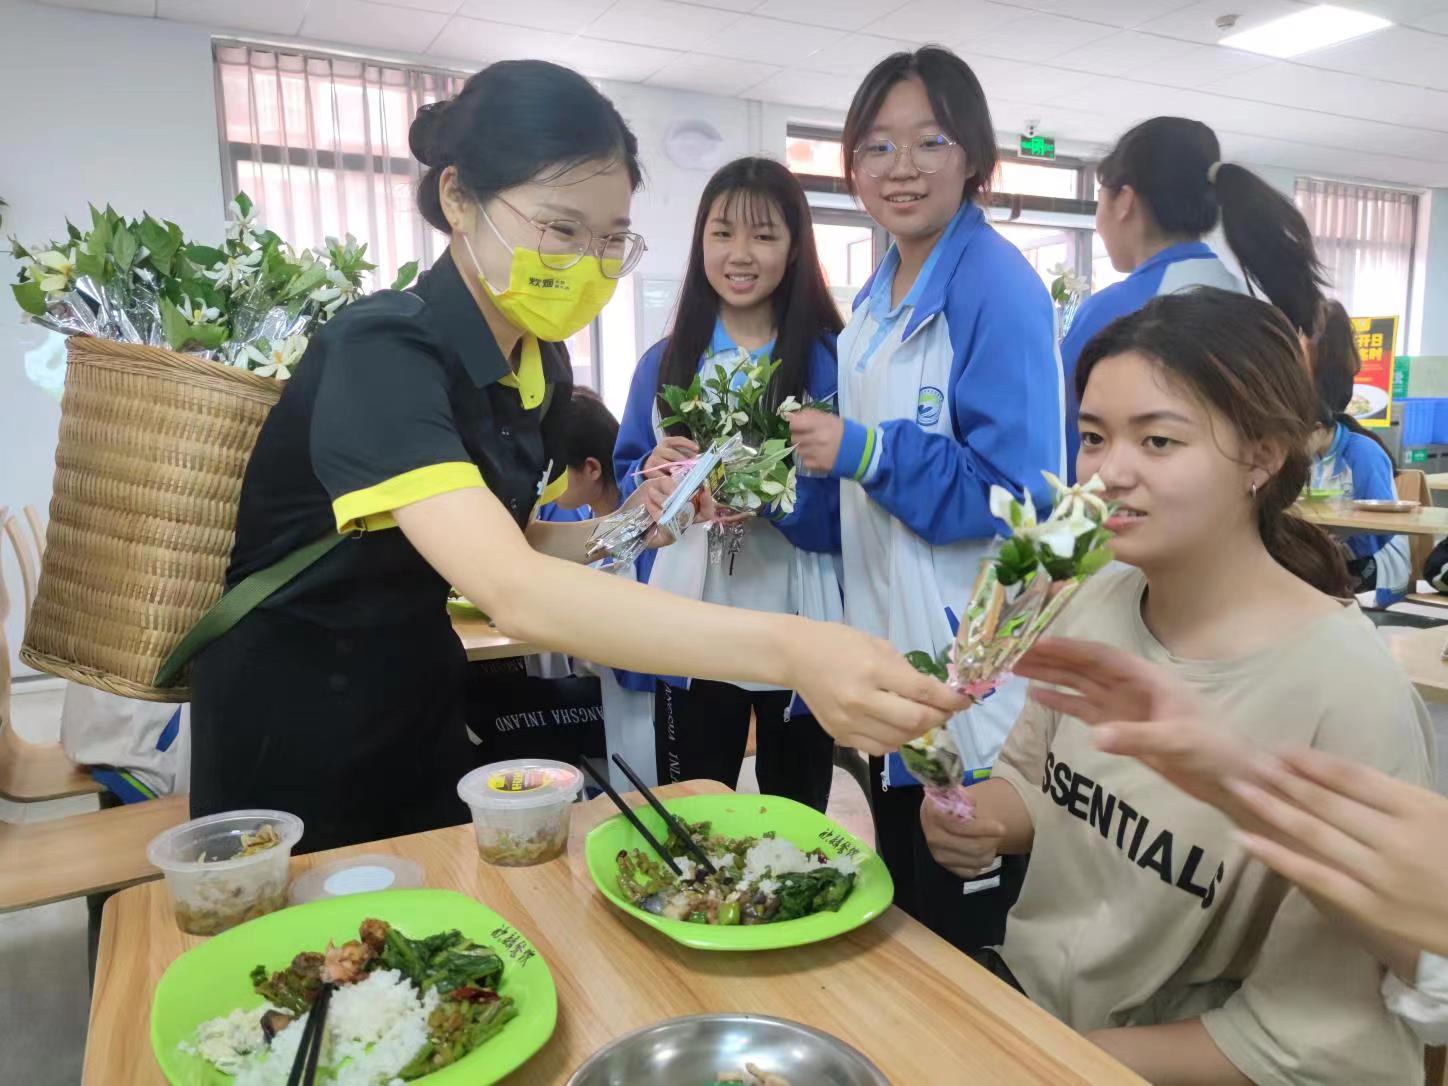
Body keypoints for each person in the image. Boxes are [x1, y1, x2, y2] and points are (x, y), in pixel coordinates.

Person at [188, 61, 962, 854]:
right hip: (296, 715)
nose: (588, 263)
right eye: (562, 230)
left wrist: (630, 528)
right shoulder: (382, 351)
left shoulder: (536, 363)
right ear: (459, 199)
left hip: (417, 696)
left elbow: (513, 539)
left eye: (610, 239)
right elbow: (511, 590)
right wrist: (795, 649)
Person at [922, 287, 1433, 1084]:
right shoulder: (1091, 593)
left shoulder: (1348, 693)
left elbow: (1312, 1041)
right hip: (1030, 1002)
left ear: (1262, 457)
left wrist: (1046, 1060)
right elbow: (1034, 781)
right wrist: (979, 818)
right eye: (1094, 437)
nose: (1109, 472)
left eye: (1158, 440)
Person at [787, 47, 1063, 943]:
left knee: (964, 932)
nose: (900, 168)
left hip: (971, 667)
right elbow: (865, 490)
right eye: (877, 146)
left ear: (973, 154)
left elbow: (1019, 499)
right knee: (906, 906)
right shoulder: (880, 290)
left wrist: (866, 451)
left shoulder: (996, 287)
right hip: (896, 650)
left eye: (930, 141)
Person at [1012, 637, 1448, 1046]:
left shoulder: (1359, 692)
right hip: (1031, 997)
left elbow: (1348, 1039)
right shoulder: (1095, 613)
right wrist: (1239, 781)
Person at [614, 157, 844, 810]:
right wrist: (653, 479)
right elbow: (627, 498)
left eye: (763, 235)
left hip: (797, 625)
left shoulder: (831, 364)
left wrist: (773, 494)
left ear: (794, 248)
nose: (740, 254)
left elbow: (853, 508)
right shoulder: (664, 364)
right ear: (701, 243)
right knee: (691, 810)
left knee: (797, 813)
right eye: (722, 233)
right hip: (694, 629)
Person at [1060, 116, 1328, 477]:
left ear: (1124, 201)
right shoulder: (1251, 302)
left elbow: (1063, 440)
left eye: (1100, 200)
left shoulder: (1114, 314)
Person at [534, 388, 621, 523]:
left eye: (554, 472)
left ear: (592, 468)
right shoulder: (597, 520)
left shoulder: (645, 525)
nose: (547, 484)